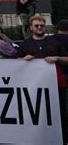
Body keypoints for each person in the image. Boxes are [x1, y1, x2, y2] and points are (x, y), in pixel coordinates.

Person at [18, 16, 68, 144]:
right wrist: (23, 60)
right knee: (37, 115)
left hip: (57, 85)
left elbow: (66, 60)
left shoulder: (55, 41)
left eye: (41, 25)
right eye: (36, 25)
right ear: (31, 28)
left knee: (59, 114)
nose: (39, 27)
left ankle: (61, 140)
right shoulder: (25, 44)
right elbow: (15, 64)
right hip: (34, 86)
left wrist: (57, 58)